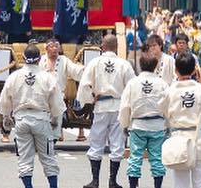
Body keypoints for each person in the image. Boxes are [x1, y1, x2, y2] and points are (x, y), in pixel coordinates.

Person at [0, 43, 67, 188]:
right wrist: (55, 123)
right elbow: (57, 104)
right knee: (48, 158)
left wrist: (6, 118)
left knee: (24, 159)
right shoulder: (47, 77)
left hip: (21, 120)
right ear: (39, 59)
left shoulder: (14, 76)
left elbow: (5, 100)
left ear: (23, 58)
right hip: (41, 120)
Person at [77, 34, 136, 188]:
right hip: (118, 106)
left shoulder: (95, 62)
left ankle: (95, 180)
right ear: (116, 47)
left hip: (101, 106)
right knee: (117, 144)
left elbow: (84, 84)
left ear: (102, 46)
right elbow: (132, 88)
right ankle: (112, 181)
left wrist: (90, 98)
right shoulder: (124, 64)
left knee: (96, 142)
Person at [164, 51, 201, 188]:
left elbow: (162, 110)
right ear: (195, 69)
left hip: (179, 138)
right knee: (200, 184)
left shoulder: (170, 91)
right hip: (199, 138)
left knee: (180, 184)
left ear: (176, 70)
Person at [118, 53, 170, 188]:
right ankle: (157, 186)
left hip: (138, 125)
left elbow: (125, 105)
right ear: (155, 66)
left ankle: (133, 186)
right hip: (157, 125)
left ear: (140, 66)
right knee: (157, 158)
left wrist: (124, 124)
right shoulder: (162, 83)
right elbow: (168, 106)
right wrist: (168, 125)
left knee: (135, 158)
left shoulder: (133, 83)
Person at [41, 38, 85, 141]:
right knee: (42, 123)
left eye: (57, 46)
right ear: (46, 48)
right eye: (52, 46)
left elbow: (74, 70)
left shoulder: (63, 60)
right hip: (42, 98)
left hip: (58, 97)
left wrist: (86, 71)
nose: (54, 49)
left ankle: (52, 143)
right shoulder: (41, 60)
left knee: (56, 123)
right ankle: (43, 144)